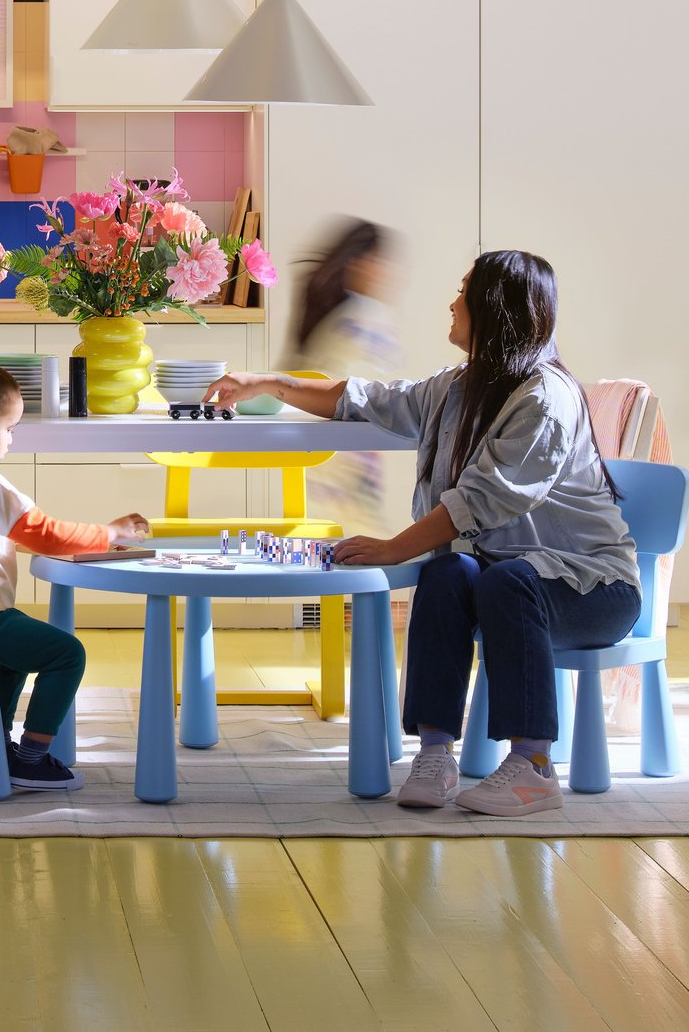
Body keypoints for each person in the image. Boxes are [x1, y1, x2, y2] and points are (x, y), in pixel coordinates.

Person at [208, 250, 640, 818]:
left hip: (593, 590)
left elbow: (479, 501)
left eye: (464, 291)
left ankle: (533, 767)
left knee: (503, 579)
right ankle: (434, 754)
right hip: (508, 586)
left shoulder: (546, 399)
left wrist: (392, 549)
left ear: (493, 307)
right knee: (447, 569)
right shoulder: (459, 387)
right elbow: (365, 399)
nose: (452, 303)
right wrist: (267, 383)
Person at [0, 357, 150, 792]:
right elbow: (45, 534)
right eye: (10, 429)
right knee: (66, 654)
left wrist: (63, 542)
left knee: (17, 649)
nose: (11, 440)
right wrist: (109, 533)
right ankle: (31, 758)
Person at [286, 218, 402, 531]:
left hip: (318, 447)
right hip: (352, 446)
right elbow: (378, 390)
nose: (385, 272)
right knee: (357, 534)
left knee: (330, 532)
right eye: (379, 261)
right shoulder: (365, 316)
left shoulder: (328, 315)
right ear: (359, 262)